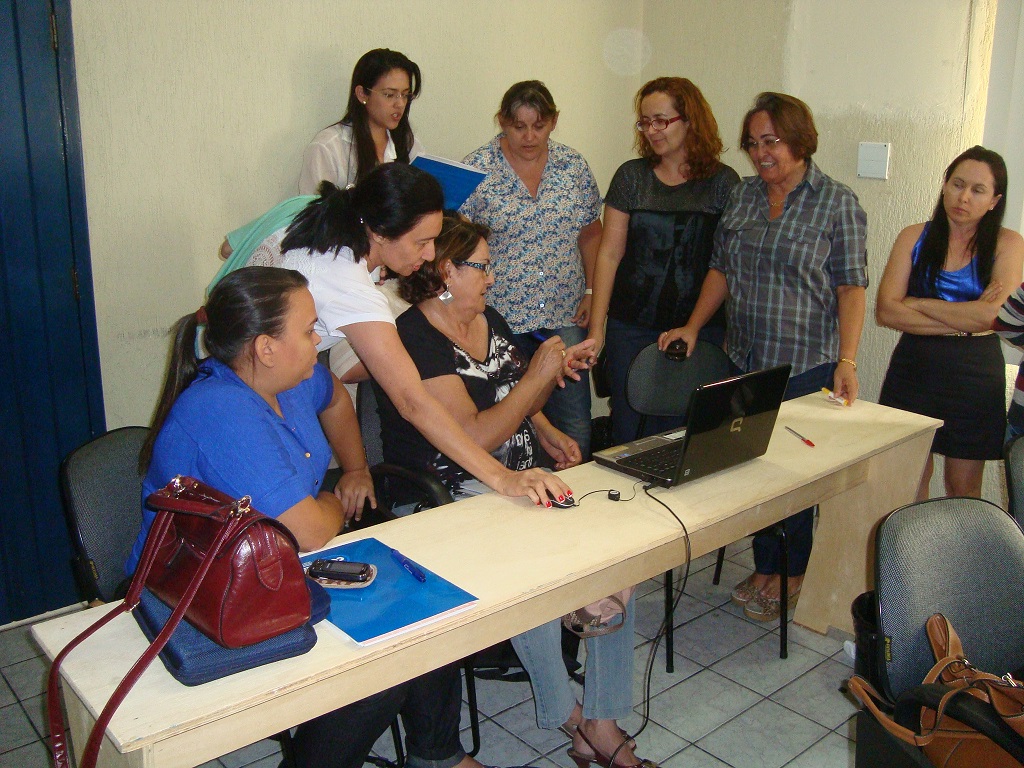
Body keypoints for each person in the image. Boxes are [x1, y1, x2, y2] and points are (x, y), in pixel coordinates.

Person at [126, 267, 495, 768]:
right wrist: (332, 502)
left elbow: (336, 398)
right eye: (308, 330)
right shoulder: (221, 410)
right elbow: (311, 531)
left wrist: (357, 469)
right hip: (196, 590)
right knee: (376, 667)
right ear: (265, 348)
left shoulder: (290, 378)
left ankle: (438, 756)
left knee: (424, 601)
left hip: (272, 562)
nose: (319, 338)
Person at [375, 213, 653, 768]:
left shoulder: (488, 318)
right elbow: (475, 435)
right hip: (451, 492)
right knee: (538, 572)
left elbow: (514, 398)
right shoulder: (415, 338)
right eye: (482, 267)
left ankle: (600, 720)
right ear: (447, 270)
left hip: (520, 480)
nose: (492, 277)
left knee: (616, 556)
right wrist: (536, 379)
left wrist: (547, 427)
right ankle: (571, 716)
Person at [257, 162, 584, 505]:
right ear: (380, 233)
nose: (430, 254)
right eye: (422, 242)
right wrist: (502, 478)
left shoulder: (340, 237)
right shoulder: (347, 282)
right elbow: (412, 402)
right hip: (255, 387)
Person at [663, 92, 868, 622]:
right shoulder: (744, 195)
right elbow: (721, 270)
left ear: (800, 141)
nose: (760, 153)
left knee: (792, 474)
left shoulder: (837, 203)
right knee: (752, 466)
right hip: (746, 357)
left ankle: (793, 571)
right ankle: (765, 564)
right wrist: (693, 325)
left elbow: (851, 287)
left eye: (771, 141)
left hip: (805, 363)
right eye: (753, 143)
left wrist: (847, 361)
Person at [585, 77, 740, 445]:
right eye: (645, 122)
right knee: (629, 432)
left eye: (661, 121)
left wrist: (699, 328)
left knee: (692, 435)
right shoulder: (631, 177)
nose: (651, 130)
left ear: (690, 120)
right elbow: (609, 254)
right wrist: (597, 328)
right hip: (631, 328)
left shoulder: (723, 182)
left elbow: (724, 265)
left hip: (701, 329)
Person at [460, 81, 602, 458]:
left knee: (574, 424)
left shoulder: (572, 166)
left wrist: (591, 290)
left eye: (539, 126)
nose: (529, 137)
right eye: (518, 126)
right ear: (502, 121)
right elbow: (455, 244)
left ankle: (576, 491)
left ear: (553, 121)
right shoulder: (477, 168)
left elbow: (591, 233)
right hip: (499, 320)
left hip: (564, 312)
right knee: (510, 424)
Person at [879, 146, 1023, 499]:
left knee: (963, 488)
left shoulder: (1008, 243)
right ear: (944, 185)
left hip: (975, 375)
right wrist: (968, 320)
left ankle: (961, 540)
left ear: (995, 200)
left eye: (978, 190)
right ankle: (911, 539)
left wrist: (918, 303)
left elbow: (996, 317)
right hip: (914, 367)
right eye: (958, 184)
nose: (964, 197)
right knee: (909, 481)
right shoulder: (913, 236)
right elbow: (887, 311)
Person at [298, 48, 424, 194]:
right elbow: (314, 207)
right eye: (389, 95)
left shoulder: (408, 143)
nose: (400, 104)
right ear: (362, 94)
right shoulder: (328, 148)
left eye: (405, 95)